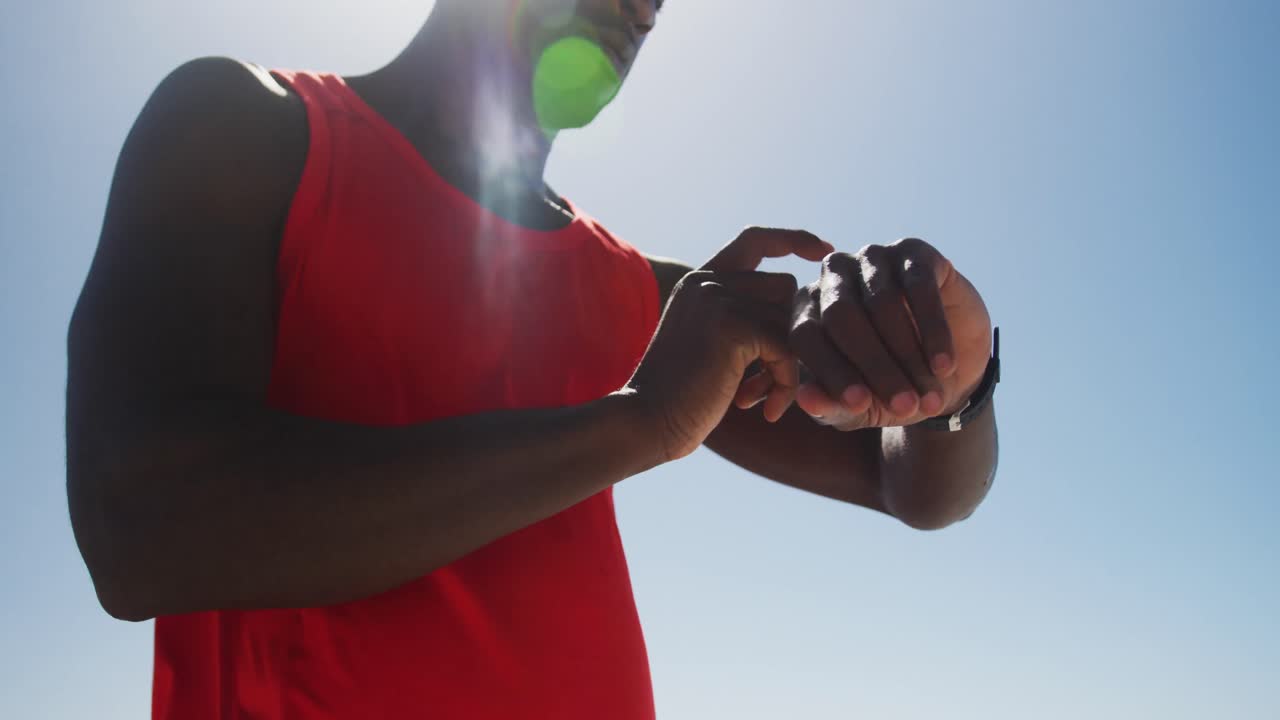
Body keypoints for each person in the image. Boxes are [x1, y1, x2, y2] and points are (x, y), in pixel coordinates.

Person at [65, 1, 999, 718]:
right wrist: (636, 424)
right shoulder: (249, 130)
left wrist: (955, 374)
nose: (641, 9)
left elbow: (912, 487)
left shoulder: (650, 294)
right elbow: (142, 530)